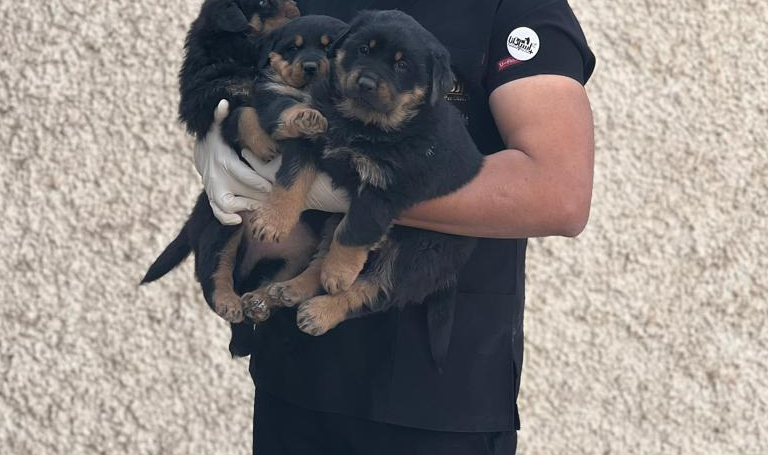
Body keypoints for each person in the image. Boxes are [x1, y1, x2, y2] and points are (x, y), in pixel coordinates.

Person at [194, 0, 595, 453]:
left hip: (435, 396)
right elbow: (233, 60)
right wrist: (222, 127)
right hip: (293, 374)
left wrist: (357, 192)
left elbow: (558, 191)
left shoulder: (514, 8)